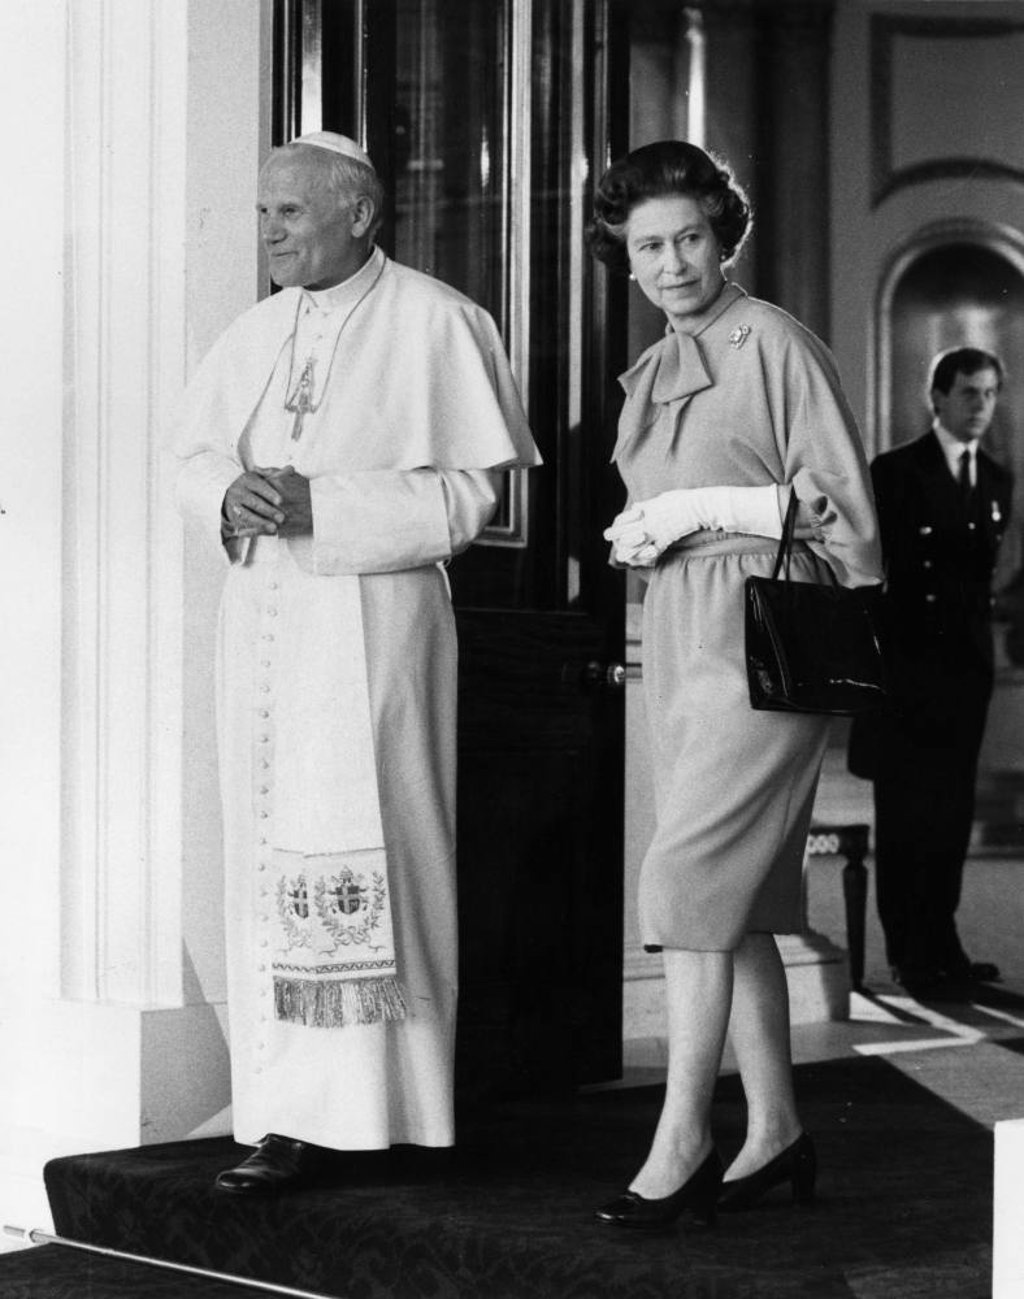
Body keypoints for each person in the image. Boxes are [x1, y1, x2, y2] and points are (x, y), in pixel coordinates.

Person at [174, 131, 540, 1194]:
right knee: (266, 855)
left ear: (360, 215)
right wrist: (225, 499)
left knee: (376, 838)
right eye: (261, 214)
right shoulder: (254, 332)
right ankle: (282, 1114)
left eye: (288, 211)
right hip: (265, 629)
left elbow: (474, 496)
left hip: (374, 629)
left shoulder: (439, 321)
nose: (270, 232)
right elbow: (194, 457)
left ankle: (387, 1108)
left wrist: (320, 505)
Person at [587, 140, 881, 1228]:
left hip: (764, 632)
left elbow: (847, 519)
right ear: (624, 257)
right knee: (736, 900)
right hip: (681, 630)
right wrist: (646, 532)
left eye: (690, 238)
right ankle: (775, 1130)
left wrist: (710, 509)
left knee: (684, 881)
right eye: (648, 246)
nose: (671, 263)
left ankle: (682, 1136)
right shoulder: (663, 358)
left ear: (725, 235)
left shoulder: (770, 340)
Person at [848, 347, 1012, 994]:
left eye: (991, 393)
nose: (981, 406)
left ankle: (945, 945)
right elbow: (872, 573)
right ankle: (908, 953)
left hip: (965, 673)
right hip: (908, 671)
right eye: (969, 393)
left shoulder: (997, 478)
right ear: (937, 397)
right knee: (906, 814)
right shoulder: (894, 471)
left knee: (951, 814)